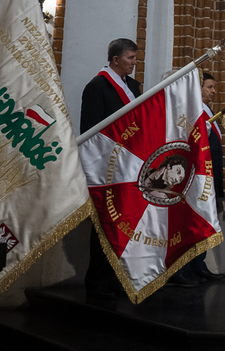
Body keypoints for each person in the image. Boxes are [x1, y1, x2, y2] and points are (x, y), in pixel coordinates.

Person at [81, 38, 142, 300]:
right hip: (107, 169)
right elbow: (91, 131)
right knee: (104, 225)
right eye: (130, 58)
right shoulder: (98, 87)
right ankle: (97, 280)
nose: (134, 63)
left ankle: (117, 276)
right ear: (115, 60)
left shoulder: (134, 88)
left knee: (124, 225)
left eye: (135, 59)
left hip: (129, 167)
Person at [174, 71, 225, 284]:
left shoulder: (207, 111)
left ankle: (198, 265)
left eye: (213, 87)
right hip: (194, 178)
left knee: (201, 221)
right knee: (189, 223)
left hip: (208, 175)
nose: (214, 91)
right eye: (209, 87)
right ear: (198, 88)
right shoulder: (191, 112)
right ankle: (183, 268)